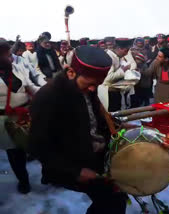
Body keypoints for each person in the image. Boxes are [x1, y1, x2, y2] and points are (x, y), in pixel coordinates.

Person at [29, 46, 127, 214]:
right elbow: (37, 145)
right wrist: (74, 171)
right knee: (111, 202)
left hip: (96, 156)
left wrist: (118, 126)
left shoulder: (88, 87)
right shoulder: (49, 96)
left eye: (97, 85)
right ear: (71, 73)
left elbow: (96, 117)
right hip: (71, 164)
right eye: (90, 84)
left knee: (115, 198)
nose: (93, 89)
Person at [0, 41, 40, 194]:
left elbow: (30, 87)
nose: (11, 58)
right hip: (5, 123)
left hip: (27, 115)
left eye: (10, 54)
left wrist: (47, 91)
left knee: (37, 145)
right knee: (15, 155)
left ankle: (48, 175)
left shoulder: (18, 68)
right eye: (6, 55)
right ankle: (24, 181)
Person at [103, 38, 134, 111]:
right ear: (119, 48)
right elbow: (108, 78)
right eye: (125, 51)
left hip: (116, 91)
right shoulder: (109, 57)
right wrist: (123, 70)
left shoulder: (117, 57)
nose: (126, 54)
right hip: (109, 93)